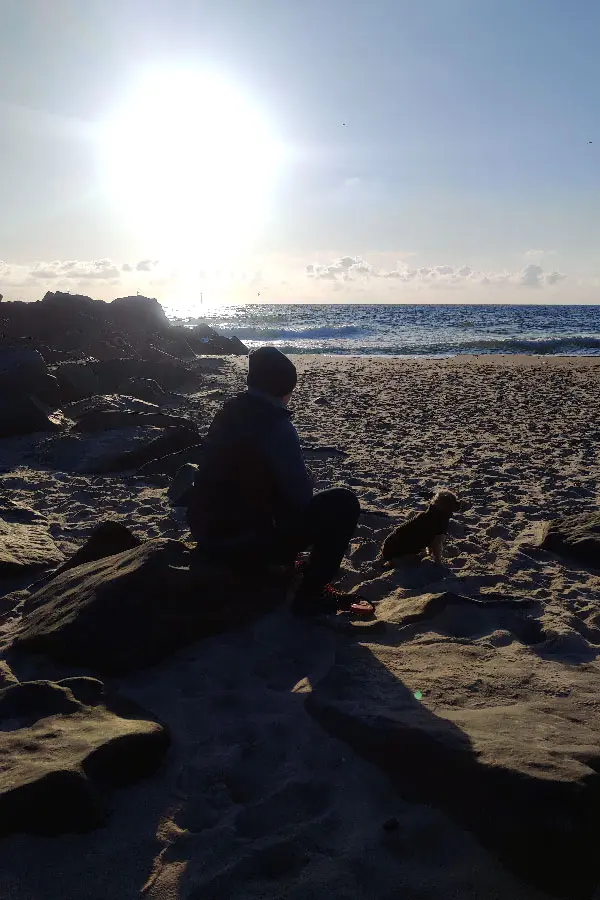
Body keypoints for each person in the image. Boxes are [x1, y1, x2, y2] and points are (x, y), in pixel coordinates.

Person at [186, 346, 373, 616]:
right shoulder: (277, 426)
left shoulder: (228, 412)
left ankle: (281, 566)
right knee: (343, 503)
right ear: (286, 388)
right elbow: (300, 500)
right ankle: (311, 594)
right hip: (245, 544)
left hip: (207, 534)